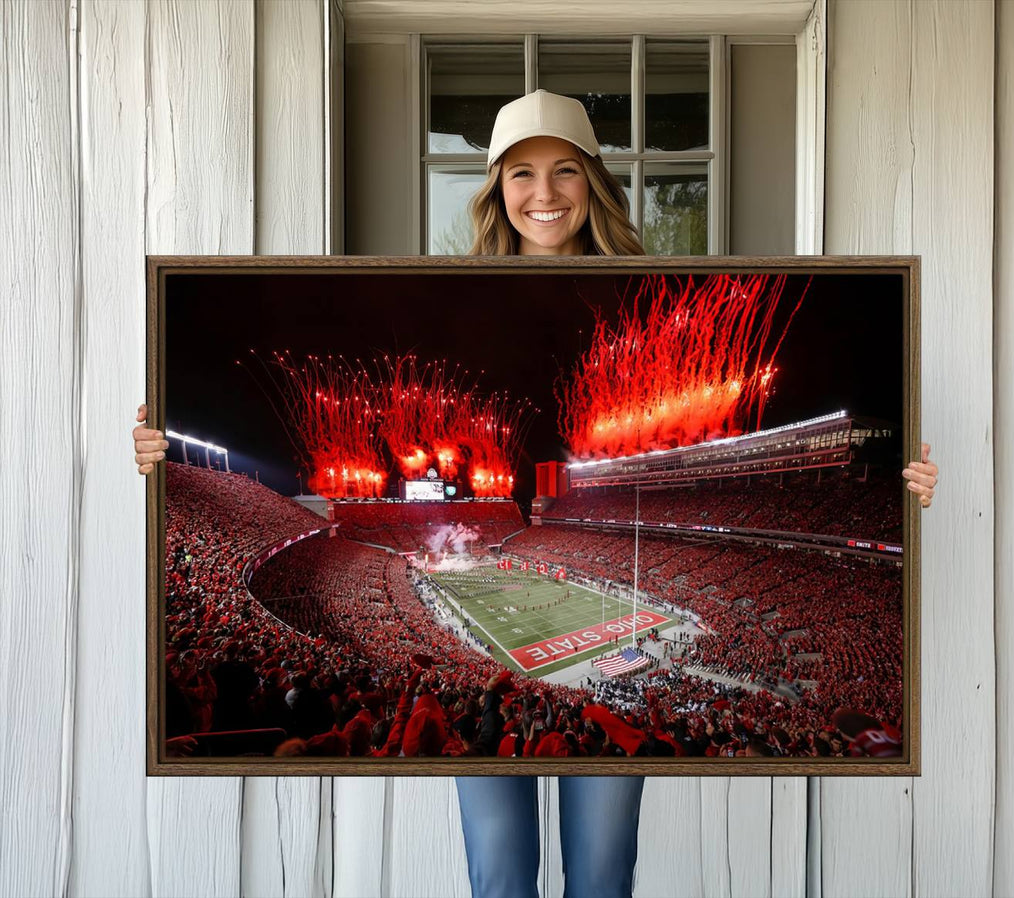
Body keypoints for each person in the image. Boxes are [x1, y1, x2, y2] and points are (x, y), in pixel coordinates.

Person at [132, 90, 940, 898]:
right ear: (495, 188)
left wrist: (901, 484)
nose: (544, 194)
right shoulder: (449, 281)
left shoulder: (654, 278)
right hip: (495, 727)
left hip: (589, 724)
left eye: (564, 171)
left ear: (593, 180)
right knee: (501, 875)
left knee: (599, 875)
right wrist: (156, 455)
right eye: (521, 173)